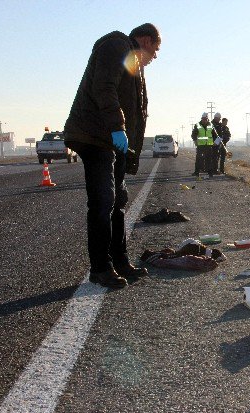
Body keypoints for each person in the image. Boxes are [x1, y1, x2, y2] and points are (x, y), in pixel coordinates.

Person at [64, 23, 160, 289]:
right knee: (103, 202)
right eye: (155, 50)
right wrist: (117, 128)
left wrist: (127, 148)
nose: (154, 58)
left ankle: (120, 261)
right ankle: (100, 268)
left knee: (118, 201)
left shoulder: (134, 65)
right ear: (145, 39)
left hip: (112, 141)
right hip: (95, 135)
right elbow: (103, 86)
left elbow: (135, 110)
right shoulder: (116, 44)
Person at [191, 112, 218, 177]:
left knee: (209, 160)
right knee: (199, 159)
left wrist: (216, 142)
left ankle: (210, 173)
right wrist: (195, 141)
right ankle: (196, 172)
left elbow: (215, 135)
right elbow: (193, 134)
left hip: (209, 145)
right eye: (203, 119)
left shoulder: (211, 125)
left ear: (207, 119)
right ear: (201, 118)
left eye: (205, 119)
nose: (204, 120)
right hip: (200, 145)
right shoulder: (197, 125)